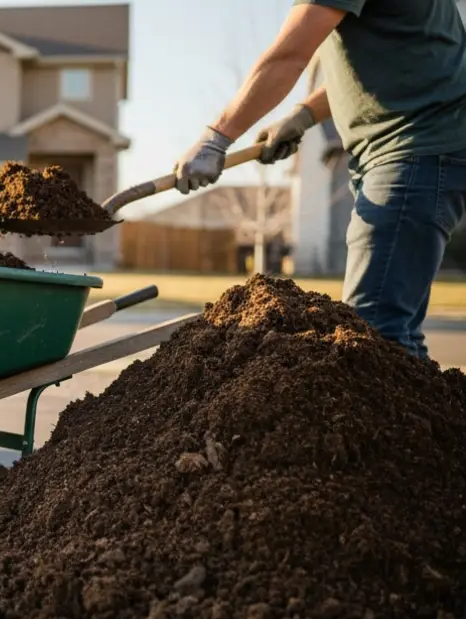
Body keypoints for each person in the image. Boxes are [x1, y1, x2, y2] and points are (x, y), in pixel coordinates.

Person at [173, 0, 466, 359]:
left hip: (413, 153)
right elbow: (392, 63)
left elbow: (290, 55)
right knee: (393, 332)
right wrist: (304, 114)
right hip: (415, 152)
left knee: (372, 334)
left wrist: (217, 136)